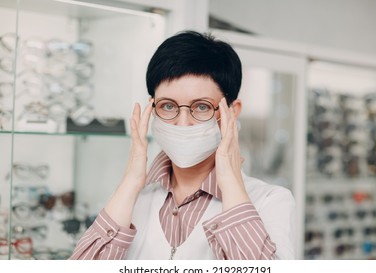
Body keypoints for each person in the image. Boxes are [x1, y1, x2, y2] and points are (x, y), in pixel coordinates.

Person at [69, 30, 296, 260]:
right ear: (152, 108)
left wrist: (229, 183)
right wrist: (131, 181)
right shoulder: (132, 197)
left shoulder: (270, 200)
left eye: (201, 107)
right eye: (168, 106)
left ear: (232, 112)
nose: (183, 123)